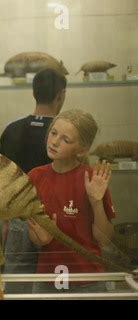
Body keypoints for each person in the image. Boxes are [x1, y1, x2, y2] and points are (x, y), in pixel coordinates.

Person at [27, 109, 116, 293]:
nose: (54, 142)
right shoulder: (35, 176)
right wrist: (39, 238)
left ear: (82, 150)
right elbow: (33, 231)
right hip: (46, 279)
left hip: (87, 280)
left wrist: (96, 202)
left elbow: (105, 239)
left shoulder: (92, 179)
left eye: (65, 140)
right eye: (53, 133)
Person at [0, 68, 67, 293]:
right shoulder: (65, 135)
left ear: (33, 93)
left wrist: (6, 221)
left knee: (17, 283)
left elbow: (2, 180)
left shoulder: (11, 130)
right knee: (55, 286)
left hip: (18, 218)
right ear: (61, 95)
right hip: (56, 220)